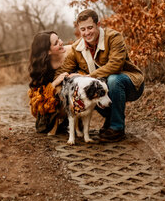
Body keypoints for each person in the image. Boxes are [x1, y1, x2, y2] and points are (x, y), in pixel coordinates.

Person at [55, 9, 144, 142]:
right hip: (104, 89)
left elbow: (116, 65)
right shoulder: (76, 49)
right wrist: (59, 79)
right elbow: (63, 72)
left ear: (98, 25)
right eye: (83, 29)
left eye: (90, 27)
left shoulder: (114, 37)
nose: (87, 33)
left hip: (129, 83)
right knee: (90, 90)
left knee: (113, 80)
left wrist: (87, 77)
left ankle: (117, 128)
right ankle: (110, 120)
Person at [28, 30, 70, 134]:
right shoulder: (42, 67)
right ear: (48, 51)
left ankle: (70, 120)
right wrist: (55, 83)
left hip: (72, 94)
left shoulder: (70, 51)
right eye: (56, 43)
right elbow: (38, 96)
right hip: (54, 100)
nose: (61, 42)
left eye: (59, 38)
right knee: (42, 128)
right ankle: (55, 120)